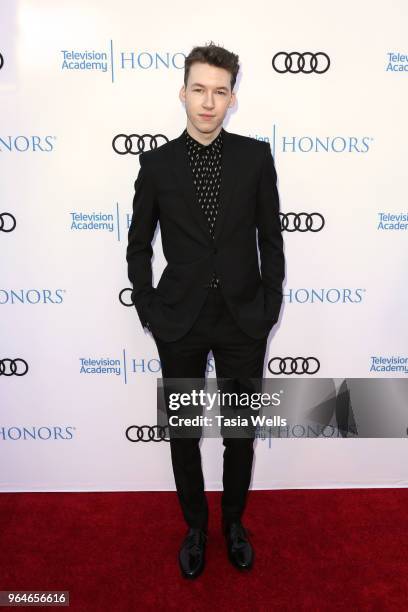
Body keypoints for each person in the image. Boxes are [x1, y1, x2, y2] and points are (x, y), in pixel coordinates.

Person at [126, 41, 285, 579]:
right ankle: (195, 527)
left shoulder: (256, 157)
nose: (208, 102)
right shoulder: (157, 165)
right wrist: (148, 306)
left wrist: (270, 303)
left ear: (232, 97)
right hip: (180, 320)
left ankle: (233, 525)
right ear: (183, 92)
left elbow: (272, 239)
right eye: (199, 90)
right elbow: (137, 244)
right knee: (185, 432)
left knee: (240, 430)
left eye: (219, 92)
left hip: (244, 318)